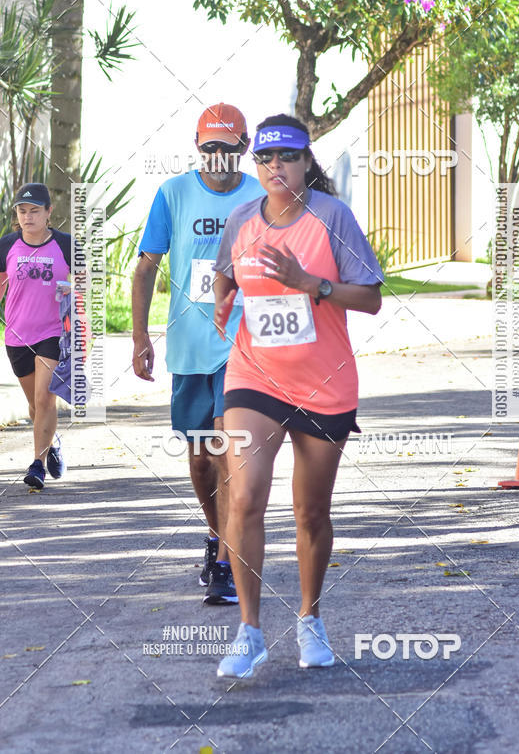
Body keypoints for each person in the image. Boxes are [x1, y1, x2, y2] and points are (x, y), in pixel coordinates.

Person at [213, 113, 383, 678]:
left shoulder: (332, 217)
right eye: (264, 158)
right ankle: (250, 631)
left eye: (287, 156)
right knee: (244, 497)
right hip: (254, 375)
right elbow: (226, 274)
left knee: (311, 512)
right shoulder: (241, 218)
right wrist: (220, 297)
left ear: (308, 162)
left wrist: (313, 285)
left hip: (323, 382)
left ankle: (310, 618)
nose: (275, 167)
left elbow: (371, 298)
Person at [132, 103, 262, 605]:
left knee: (229, 450)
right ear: (196, 145)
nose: (218, 158)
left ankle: (227, 562)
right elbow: (144, 269)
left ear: (244, 148)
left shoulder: (261, 196)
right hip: (188, 345)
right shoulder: (173, 194)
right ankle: (216, 536)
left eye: (228, 150)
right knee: (201, 458)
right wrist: (140, 337)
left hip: (242, 346)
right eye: (208, 148)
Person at [0, 183, 68, 490]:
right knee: (34, 405)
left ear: (48, 212)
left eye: (35, 211)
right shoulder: (6, 246)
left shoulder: (67, 246)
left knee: (44, 398)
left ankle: (37, 465)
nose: (28, 217)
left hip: (52, 332)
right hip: (17, 335)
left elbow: (87, 287)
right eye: (22, 211)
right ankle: (50, 443)